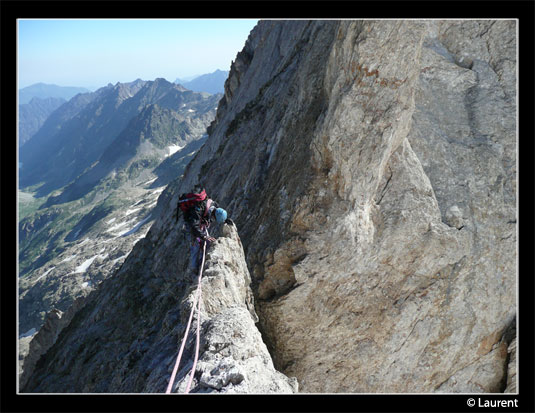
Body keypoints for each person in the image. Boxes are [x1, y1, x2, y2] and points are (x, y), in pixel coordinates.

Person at [177, 184, 232, 278]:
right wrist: (204, 236)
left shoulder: (214, 205)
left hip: (198, 222)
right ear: (213, 214)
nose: (213, 220)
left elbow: (219, 212)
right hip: (190, 224)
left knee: (203, 243)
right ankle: (193, 270)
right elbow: (194, 226)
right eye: (214, 219)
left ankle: (201, 260)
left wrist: (225, 219)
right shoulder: (199, 209)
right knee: (195, 246)